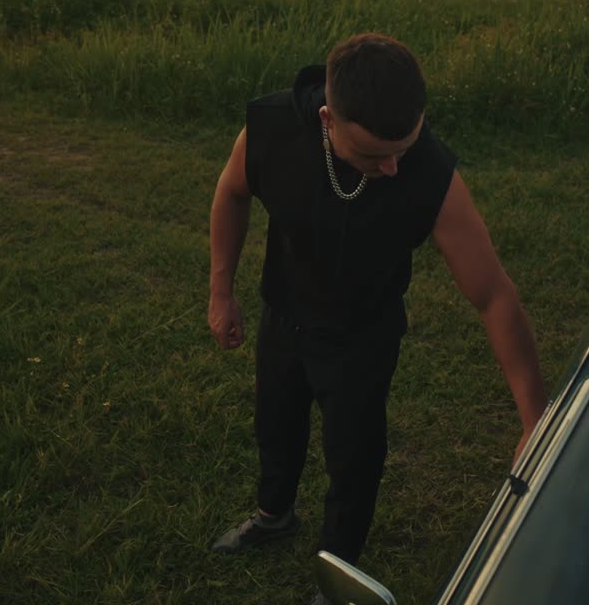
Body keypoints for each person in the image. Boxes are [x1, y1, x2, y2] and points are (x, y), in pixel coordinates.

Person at [207, 33, 548, 602]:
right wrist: (222, 291)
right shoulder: (271, 128)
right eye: (372, 154)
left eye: (404, 148)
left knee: (354, 456)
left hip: (362, 339)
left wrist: (535, 418)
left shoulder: (429, 172)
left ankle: (338, 573)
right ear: (327, 120)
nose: (393, 167)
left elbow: (493, 295)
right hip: (284, 316)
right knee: (276, 423)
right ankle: (273, 515)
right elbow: (231, 190)